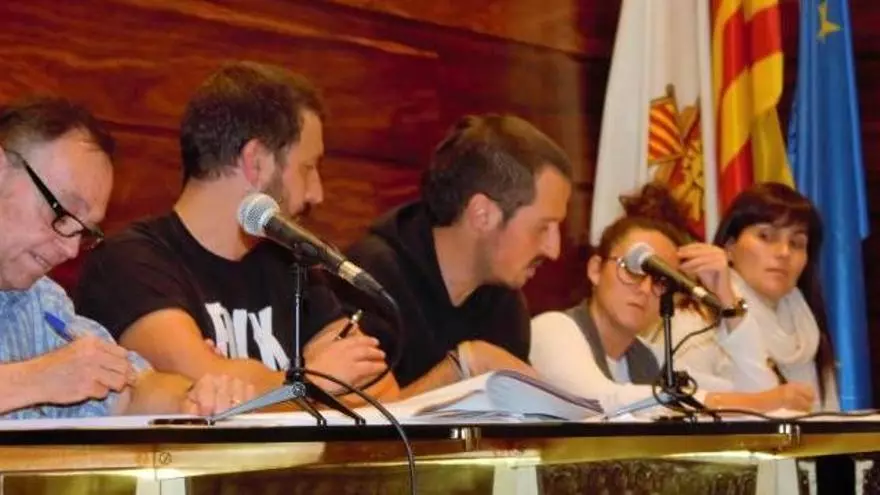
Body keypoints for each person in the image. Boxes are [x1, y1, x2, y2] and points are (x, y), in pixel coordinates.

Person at [75, 62, 394, 402]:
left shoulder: (289, 263)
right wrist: (312, 381)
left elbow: (382, 391)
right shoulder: (129, 262)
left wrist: (286, 389)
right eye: (307, 168)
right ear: (255, 162)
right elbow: (206, 390)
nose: (317, 193)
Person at [0, 96, 252, 418]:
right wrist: (36, 379)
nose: (70, 250)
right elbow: (52, 375)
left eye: (84, 232)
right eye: (61, 213)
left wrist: (194, 398)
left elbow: (134, 389)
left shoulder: (40, 302)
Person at [530, 183, 816, 414]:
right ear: (595, 269)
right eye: (632, 269)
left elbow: (758, 402)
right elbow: (600, 400)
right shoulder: (552, 328)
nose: (644, 289)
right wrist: (755, 401)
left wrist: (728, 300)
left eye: (660, 280)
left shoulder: (649, 357)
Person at [345, 113, 572, 397]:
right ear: (482, 214)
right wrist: (461, 367)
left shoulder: (506, 305)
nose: (554, 249)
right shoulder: (369, 279)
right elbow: (352, 420)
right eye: (543, 227)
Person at [707, 182, 838, 410]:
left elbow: (829, 422)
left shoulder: (808, 328)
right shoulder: (700, 318)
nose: (784, 252)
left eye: (796, 243)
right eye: (766, 237)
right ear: (729, 247)